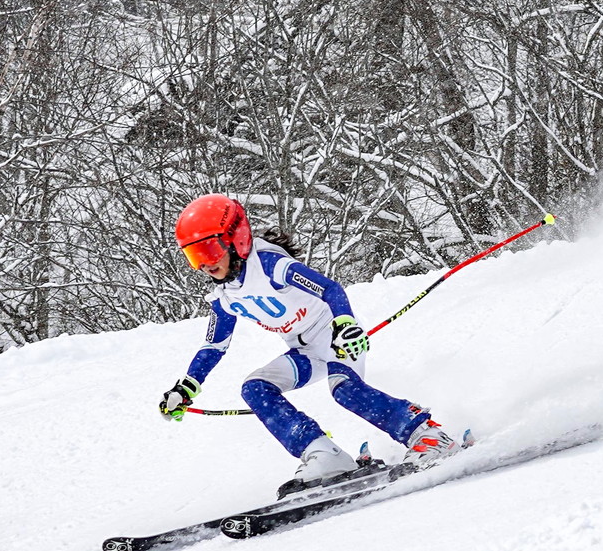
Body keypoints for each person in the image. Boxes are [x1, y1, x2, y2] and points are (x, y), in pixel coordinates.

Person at [159, 193, 461, 495]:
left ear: (234, 239)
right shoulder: (224, 296)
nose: (204, 265)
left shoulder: (269, 265)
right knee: (255, 388)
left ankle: (428, 435)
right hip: (304, 352)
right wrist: (185, 387)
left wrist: (346, 324)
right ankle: (324, 456)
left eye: (209, 251)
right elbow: (214, 346)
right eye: (194, 256)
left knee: (343, 390)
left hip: (335, 338)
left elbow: (330, 289)